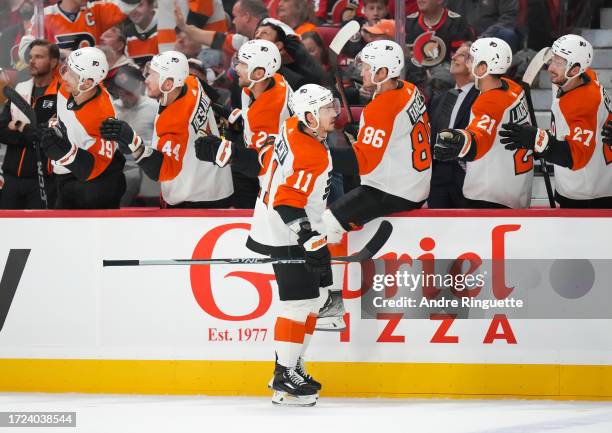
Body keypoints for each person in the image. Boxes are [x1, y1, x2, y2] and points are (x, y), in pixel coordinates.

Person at [322, 40, 433, 329]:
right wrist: (365, 137)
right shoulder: (410, 90)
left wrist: (321, 155)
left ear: (385, 72)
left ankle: (332, 304)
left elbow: (364, 165)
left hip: (392, 190)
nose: (363, 71)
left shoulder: (380, 107)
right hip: (415, 183)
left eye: (369, 67)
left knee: (328, 222)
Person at [246, 84, 340, 406]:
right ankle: (284, 373)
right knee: (299, 305)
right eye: (327, 109)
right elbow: (288, 203)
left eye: (333, 106)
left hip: (287, 225)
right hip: (287, 233)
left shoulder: (292, 124)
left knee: (313, 303)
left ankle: (292, 364)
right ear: (310, 116)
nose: (335, 113)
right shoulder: (308, 152)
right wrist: (309, 240)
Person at [100, 50, 234, 208]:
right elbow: (216, 103)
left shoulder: (174, 122)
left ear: (168, 83)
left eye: (152, 75)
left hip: (195, 200)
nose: (146, 80)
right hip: (220, 186)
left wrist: (132, 141)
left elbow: (162, 171)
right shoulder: (192, 82)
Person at [499, 34, 612, 208]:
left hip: (588, 196)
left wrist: (538, 140)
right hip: (587, 184)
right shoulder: (584, 77)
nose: (550, 67)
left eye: (559, 63)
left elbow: (576, 156)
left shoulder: (583, 102)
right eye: (553, 59)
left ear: (575, 70)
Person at [433, 37, 533, 209]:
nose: (468, 63)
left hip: (489, 196)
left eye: (471, 59)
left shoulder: (489, 101)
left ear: (483, 68)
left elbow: (478, 138)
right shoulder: (513, 88)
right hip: (515, 190)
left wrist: (459, 140)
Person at [194, 39, 292, 208]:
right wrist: (240, 121)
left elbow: (261, 165)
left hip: (281, 183)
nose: (235, 68)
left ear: (259, 73)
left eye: (242, 64)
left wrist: (223, 151)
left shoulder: (269, 111)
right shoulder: (270, 80)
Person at [39, 46, 126, 209]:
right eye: (66, 68)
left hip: (98, 185)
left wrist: (65, 152)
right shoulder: (67, 86)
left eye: (71, 73)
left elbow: (95, 167)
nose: (63, 76)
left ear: (87, 83)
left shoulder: (103, 117)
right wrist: (52, 125)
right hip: (67, 177)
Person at [0, 39, 60, 209]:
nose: (32, 61)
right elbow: (2, 129)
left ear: (53, 62)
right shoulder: (20, 89)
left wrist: (18, 125)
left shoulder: (61, 94)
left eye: (39, 57)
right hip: (11, 177)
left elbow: (47, 135)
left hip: (43, 180)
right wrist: (29, 133)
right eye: (31, 56)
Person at [427, 42, 478, 208]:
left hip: (465, 174)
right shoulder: (439, 98)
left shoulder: (482, 97)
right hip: (438, 175)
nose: (454, 57)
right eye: (455, 53)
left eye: (462, 55)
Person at [109, 66, 157, 206]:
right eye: (121, 92)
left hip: (146, 164)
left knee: (132, 178)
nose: (125, 96)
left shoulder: (153, 107)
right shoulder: (111, 108)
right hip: (118, 165)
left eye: (129, 92)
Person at [173, 0, 268, 58]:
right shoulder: (242, 40)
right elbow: (214, 38)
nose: (233, 22)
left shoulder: (273, 32)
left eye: (235, 17)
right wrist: (183, 27)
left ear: (246, 17)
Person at [44, 0, 139, 51]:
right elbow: (31, 49)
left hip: (90, 80)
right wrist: (59, 52)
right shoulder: (44, 15)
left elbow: (129, 4)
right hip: (57, 80)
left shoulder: (96, 9)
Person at [447, 0, 520, 52]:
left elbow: (508, 18)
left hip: (490, 39)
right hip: (460, 39)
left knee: (507, 34)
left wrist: (481, 40)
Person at [123, 0, 159, 68]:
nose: (133, 11)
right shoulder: (126, 34)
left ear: (151, 5)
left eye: (139, 5)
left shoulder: (167, 26)